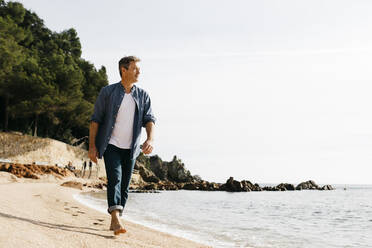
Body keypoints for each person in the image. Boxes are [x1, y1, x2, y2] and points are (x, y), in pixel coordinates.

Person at [88, 56, 156, 235]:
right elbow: (95, 121)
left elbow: (149, 120)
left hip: (131, 148)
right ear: (123, 70)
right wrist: (92, 146)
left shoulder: (143, 96)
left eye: (139, 69)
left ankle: (117, 216)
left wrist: (150, 139)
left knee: (125, 186)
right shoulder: (108, 92)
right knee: (115, 179)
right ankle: (115, 218)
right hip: (111, 145)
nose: (139, 71)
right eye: (135, 68)